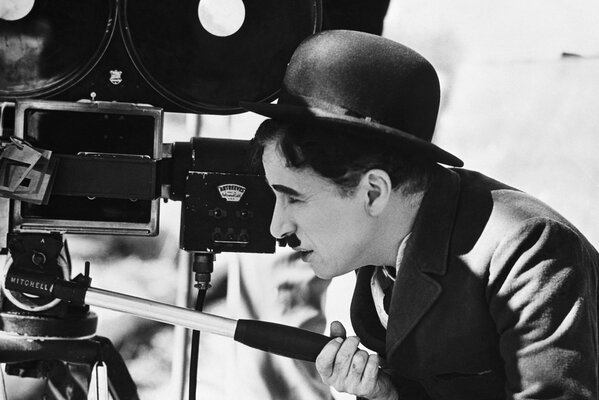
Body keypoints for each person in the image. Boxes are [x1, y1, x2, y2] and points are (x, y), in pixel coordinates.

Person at [241, 29, 599, 400]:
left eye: (294, 199)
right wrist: (385, 395)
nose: (277, 227)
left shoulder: (528, 252)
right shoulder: (381, 255)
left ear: (374, 192)